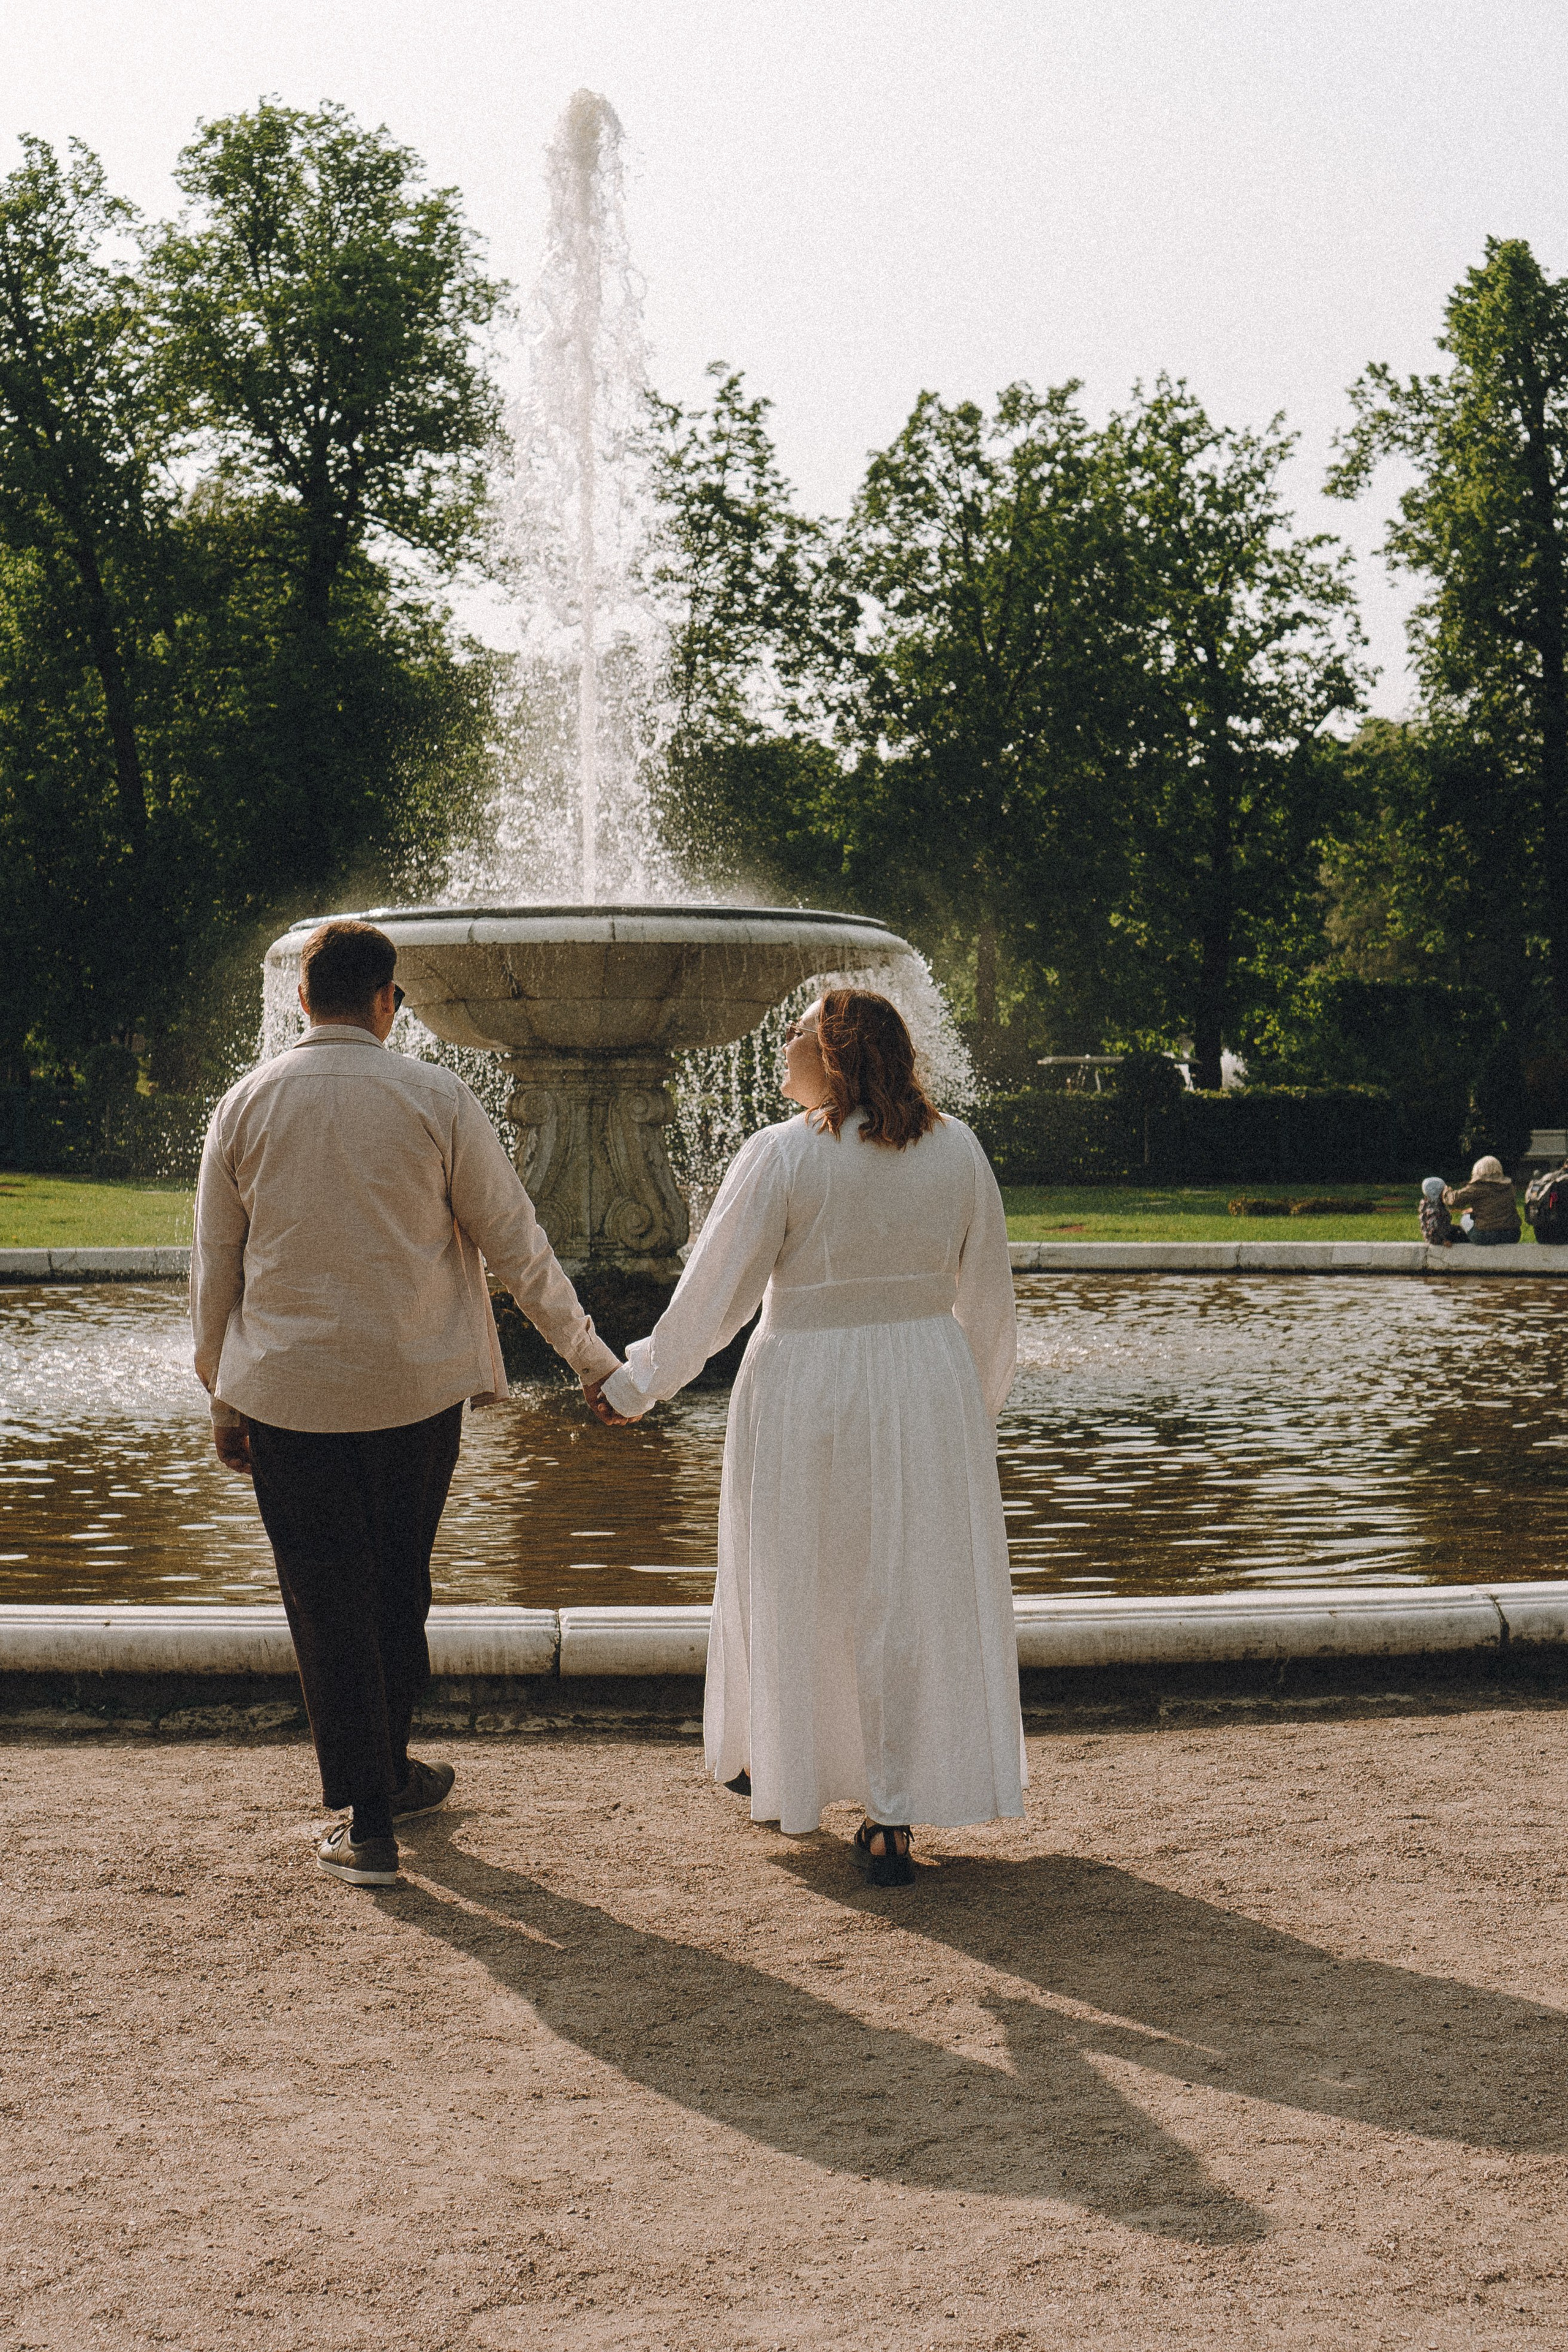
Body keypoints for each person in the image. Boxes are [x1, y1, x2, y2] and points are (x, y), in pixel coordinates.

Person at [192, 920, 623, 1889]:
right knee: (398, 1583)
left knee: (324, 1595)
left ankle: (370, 1807)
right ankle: (382, 1782)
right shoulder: (435, 1095)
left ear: (302, 999)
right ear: (388, 1002)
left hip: (288, 1395)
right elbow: (516, 1243)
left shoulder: (246, 1103)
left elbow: (217, 1262)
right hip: (413, 1391)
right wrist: (590, 1358)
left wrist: (221, 1391)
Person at [599, 988, 1025, 1884]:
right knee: (902, 1591)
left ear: (834, 1056)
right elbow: (989, 1299)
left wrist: (638, 1384)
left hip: (808, 1388)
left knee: (798, 1575)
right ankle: (890, 1809)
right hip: (927, 1388)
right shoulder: (959, 1150)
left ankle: (789, 1763)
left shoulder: (785, 1155)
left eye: (796, 1033)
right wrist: (967, 1415)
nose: (781, 1045)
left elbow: (714, 1299)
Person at [1441, 1155, 1521, 1246]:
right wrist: (1474, 1210)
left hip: (1485, 1236)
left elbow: (1454, 1200)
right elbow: (1497, 1206)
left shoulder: (1477, 1187)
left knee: (1465, 1218)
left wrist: (1446, 1192)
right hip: (1513, 1235)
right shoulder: (1509, 1187)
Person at [1419, 1175, 1456, 1245]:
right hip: (1437, 1238)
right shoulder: (1435, 1210)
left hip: (1439, 1234)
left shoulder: (1430, 1204)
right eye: (1444, 1191)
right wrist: (1443, 1241)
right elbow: (1434, 1228)